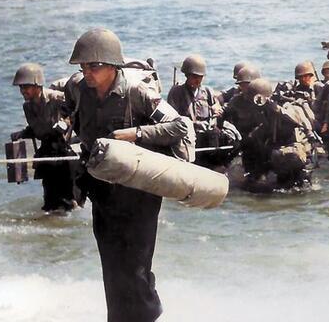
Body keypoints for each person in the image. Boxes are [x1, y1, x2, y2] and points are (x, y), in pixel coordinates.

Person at [65, 28, 194, 322]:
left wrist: (135, 133)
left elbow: (179, 126)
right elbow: (67, 108)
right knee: (111, 267)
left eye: (94, 66)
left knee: (136, 268)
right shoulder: (77, 89)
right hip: (102, 191)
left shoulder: (137, 93)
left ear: (113, 66)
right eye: (83, 66)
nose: (87, 72)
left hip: (139, 193)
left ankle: (150, 316)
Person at [11, 62, 75, 212]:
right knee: (49, 199)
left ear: (37, 85)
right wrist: (23, 133)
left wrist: (65, 122)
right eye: (21, 87)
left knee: (67, 197)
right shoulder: (27, 106)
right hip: (46, 150)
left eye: (26, 87)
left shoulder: (56, 98)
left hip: (63, 149)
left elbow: (76, 111)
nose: (22, 91)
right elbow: (37, 128)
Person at [241, 79, 317, 189]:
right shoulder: (262, 111)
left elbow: (295, 119)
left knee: (299, 182)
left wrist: (277, 109)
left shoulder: (286, 106)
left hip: (294, 151)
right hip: (277, 148)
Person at [167, 54, 232, 167]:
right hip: (187, 134)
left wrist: (216, 109)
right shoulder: (177, 92)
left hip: (206, 133)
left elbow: (215, 105)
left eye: (200, 77)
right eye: (194, 77)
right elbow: (171, 117)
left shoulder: (207, 91)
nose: (198, 80)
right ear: (187, 75)